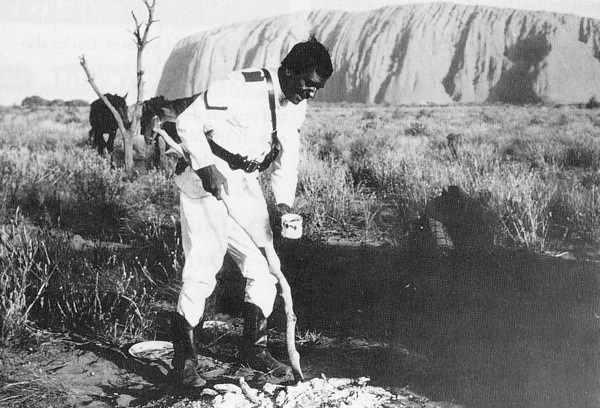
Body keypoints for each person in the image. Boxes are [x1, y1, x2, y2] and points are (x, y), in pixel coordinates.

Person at [169, 35, 333, 387]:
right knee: (204, 266)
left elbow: (287, 157)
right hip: (206, 182)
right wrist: (205, 166)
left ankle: (253, 350)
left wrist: (283, 203)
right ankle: (183, 360)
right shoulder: (241, 85)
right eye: (308, 84)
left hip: (245, 186)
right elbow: (186, 122)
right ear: (288, 71)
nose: (311, 93)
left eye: (317, 88)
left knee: (264, 266)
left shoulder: (296, 104)